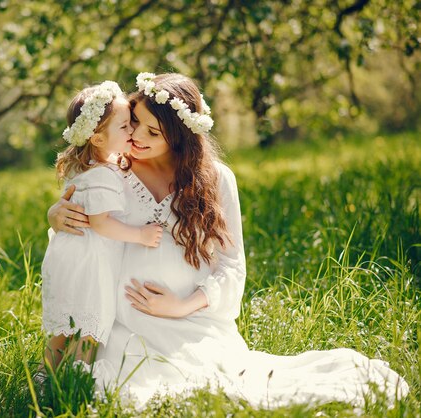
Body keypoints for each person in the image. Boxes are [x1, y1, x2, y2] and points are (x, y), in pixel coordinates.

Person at [46, 73, 409, 408]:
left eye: (153, 134)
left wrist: (182, 305)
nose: (137, 137)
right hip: (122, 324)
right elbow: (79, 224)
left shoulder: (215, 180)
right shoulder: (110, 170)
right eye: (136, 122)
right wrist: (55, 216)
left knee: (217, 388)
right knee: (122, 389)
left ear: (179, 135)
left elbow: (232, 267)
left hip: (190, 324)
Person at [41, 80, 164, 370]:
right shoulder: (104, 175)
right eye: (125, 127)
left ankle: (45, 375)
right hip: (90, 262)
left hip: (70, 254)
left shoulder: (86, 166)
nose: (132, 131)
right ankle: (73, 382)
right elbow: (101, 223)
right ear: (97, 139)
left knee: (64, 328)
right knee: (88, 326)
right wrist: (140, 235)